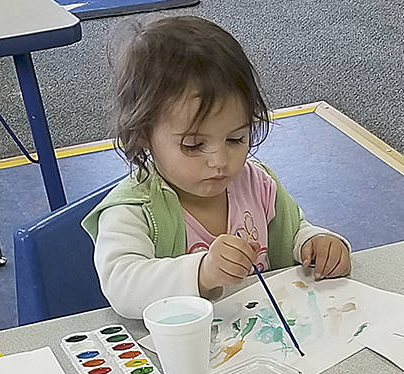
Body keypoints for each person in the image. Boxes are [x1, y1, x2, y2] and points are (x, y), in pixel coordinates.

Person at [84, 16, 351, 319]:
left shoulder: (256, 184)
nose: (220, 162)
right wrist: (202, 272)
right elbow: (122, 286)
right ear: (144, 135)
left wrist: (315, 243)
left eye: (236, 138)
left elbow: (293, 231)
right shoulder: (134, 209)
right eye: (194, 145)